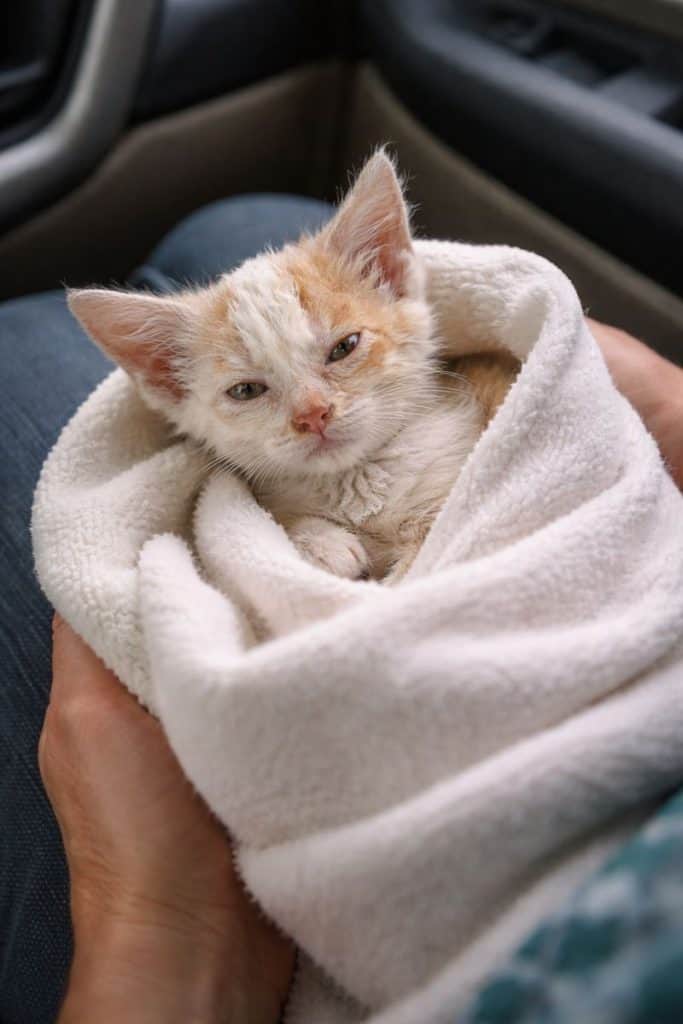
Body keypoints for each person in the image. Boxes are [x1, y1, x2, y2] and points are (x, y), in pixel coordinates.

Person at [2, 194, 682, 1023]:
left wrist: (151, 912)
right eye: (247, 390)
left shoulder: (468, 412)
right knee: (234, 227)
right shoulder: (259, 506)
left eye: (342, 349)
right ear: (171, 387)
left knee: (188, 250)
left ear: (395, 279)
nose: (311, 409)